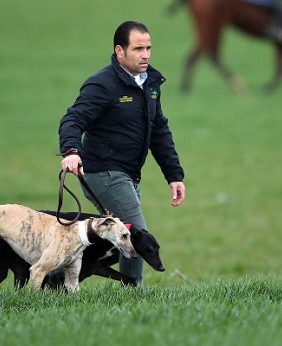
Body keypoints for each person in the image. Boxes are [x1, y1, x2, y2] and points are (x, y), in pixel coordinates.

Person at [58, 21, 186, 286]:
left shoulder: (150, 84)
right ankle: (133, 296)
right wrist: (71, 150)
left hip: (128, 175)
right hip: (103, 173)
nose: (146, 54)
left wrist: (174, 175)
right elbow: (73, 119)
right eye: (138, 48)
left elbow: (159, 131)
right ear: (119, 51)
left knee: (118, 238)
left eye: (148, 47)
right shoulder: (102, 84)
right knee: (136, 237)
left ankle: (58, 280)